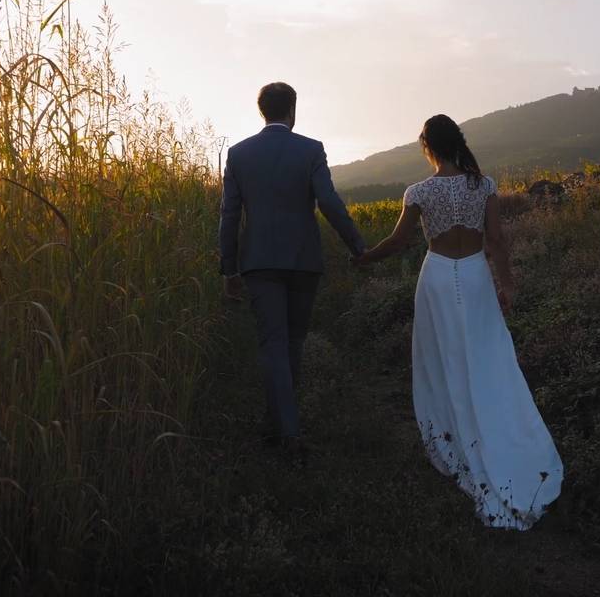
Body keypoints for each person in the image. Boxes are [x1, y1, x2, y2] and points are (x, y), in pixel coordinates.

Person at [352, 115, 563, 530]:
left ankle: (452, 434)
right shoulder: (484, 186)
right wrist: (508, 285)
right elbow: (497, 242)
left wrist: (365, 257)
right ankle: (501, 434)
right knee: (488, 356)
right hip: (475, 276)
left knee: (443, 358)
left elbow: (398, 242)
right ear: (458, 143)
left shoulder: (419, 192)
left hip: (436, 280)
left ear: (427, 146)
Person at [218, 82, 366, 452]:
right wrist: (357, 246)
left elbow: (229, 215)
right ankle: (285, 427)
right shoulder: (310, 150)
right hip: (303, 261)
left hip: (259, 262)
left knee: (273, 343)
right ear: (292, 110)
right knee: (293, 342)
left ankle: (283, 428)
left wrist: (228, 269)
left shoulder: (238, 154)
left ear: (261, 110)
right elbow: (329, 202)